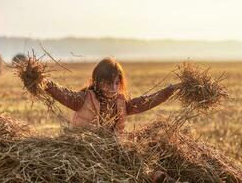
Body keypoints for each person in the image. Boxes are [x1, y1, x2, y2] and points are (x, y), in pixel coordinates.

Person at [43, 57, 182, 134]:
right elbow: (62, 93)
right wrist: (43, 81)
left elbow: (145, 102)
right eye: (109, 83)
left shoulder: (122, 103)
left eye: (116, 83)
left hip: (111, 151)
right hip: (84, 152)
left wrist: (169, 90)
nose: (114, 88)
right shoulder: (83, 98)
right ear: (97, 81)